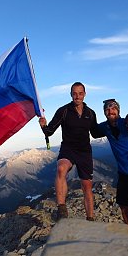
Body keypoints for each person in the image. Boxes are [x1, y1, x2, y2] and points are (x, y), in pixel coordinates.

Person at [39, 82, 99, 221]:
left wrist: (111, 128)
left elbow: (95, 133)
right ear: (71, 94)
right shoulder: (63, 111)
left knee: (87, 187)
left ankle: (90, 219)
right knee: (61, 168)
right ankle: (61, 209)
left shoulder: (90, 113)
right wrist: (43, 125)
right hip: (68, 148)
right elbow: (50, 131)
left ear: (84, 94)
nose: (77, 96)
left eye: (80, 93)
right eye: (74, 93)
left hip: (84, 152)